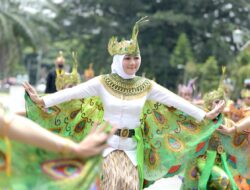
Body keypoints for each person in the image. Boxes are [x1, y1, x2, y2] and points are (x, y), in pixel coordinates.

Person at [24, 17, 225, 190]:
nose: (132, 63)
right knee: (111, 181)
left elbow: (176, 101)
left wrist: (204, 115)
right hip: (106, 147)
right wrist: (43, 100)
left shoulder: (146, 86)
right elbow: (72, 94)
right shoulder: (102, 82)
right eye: (127, 58)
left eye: (136, 58)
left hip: (131, 149)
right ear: (119, 60)